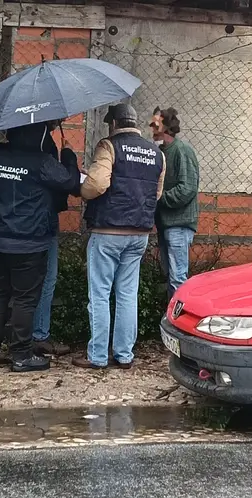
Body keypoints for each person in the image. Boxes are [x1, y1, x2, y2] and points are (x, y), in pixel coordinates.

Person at [0, 121, 81, 373]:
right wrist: (67, 155)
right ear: (38, 134)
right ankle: (21, 355)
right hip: (29, 243)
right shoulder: (41, 161)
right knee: (24, 299)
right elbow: (71, 183)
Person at [72, 104, 166, 369]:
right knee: (127, 294)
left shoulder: (108, 146)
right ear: (134, 122)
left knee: (100, 294)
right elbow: (156, 193)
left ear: (113, 124)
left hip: (108, 232)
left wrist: (82, 187)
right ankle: (125, 355)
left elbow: (97, 184)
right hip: (139, 233)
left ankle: (98, 356)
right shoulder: (156, 153)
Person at [150, 107, 200, 302]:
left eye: (155, 124)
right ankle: (173, 320)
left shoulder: (182, 150)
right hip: (167, 223)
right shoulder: (161, 151)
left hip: (178, 223)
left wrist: (158, 197)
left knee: (178, 278)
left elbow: (187, 189)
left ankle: (179, 323)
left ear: (167, 127)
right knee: (172, 275)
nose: (151, 128)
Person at [32, 119, 72, 357]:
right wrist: (68, 155)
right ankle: (39, 334)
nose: (63, 120)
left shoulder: (20, 141)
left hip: (19, 221)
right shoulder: (45, 144)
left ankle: (21, 334)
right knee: (47, 277)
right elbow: (64, 180)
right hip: (44, 220)